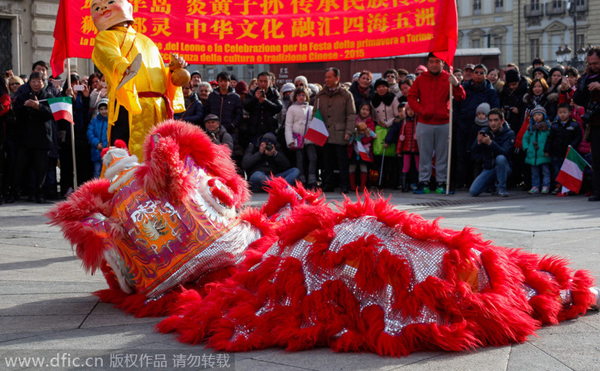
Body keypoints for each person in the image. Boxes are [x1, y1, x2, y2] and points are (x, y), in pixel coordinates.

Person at [51, 118, 600, 357]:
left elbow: (234, 204)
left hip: (264, 242)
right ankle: (478, 284)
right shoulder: (124, 234)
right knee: (348, 248)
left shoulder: (176, 179)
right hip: (253, 270)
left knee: (368, 229)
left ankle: (486, 275)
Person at [90, 0, 186, 161]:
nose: (103, 7)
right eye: (96, 8)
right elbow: (110, 58)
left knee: (158, 155)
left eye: (110, 2)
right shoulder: (105, 37)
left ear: (129, 8)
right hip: (129, 104)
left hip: (157, 107)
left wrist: (172, 71)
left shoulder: (147, 41)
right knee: (127, 158)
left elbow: (157, 74)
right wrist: (125, 68)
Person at [408, 53, 465, 194]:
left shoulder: (448, 78)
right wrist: (420, 111)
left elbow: (461, 97)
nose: (434, 64)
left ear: (442, 63)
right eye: (431, 61)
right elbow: (411, 96)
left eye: (437, 61)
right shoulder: (420, 79)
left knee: (443, 155)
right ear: (427, 64)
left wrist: (457, 84)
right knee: (425, 155)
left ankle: (442, 183)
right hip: (424, 122)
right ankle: (424, 183)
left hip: (444, 122)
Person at [10, 71, 55, 203]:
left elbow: (52, 114)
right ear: (29, 83)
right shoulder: (23, 95)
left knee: (41, 170)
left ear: (43, 82)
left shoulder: (48, 96)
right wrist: (25, 106)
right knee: (19, 168)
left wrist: (38, 107)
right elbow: (15, 110)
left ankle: (39, 194)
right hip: (24, 139)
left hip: (42, 139)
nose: (36, 84)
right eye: (33, 82)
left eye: (39, 81)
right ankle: (13, 193)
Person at [454, 64, 499, 189]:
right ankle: (460, 181)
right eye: (476, 72)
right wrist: (458, 122)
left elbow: (495, 109)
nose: (478, 75)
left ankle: (476, 182)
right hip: (463, 125)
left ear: (485, 75)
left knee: (479, 157)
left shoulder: (490, 91)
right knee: (461, 155)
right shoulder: (464, 88)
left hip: (482, 127)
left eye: (481, 73)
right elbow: (456, 107)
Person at [316, 67, 356, 193]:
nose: (327, 79)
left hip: (340, 132)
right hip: (324, 132)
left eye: (329, 77)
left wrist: (348, 132)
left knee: (342, 161)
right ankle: (328, 183)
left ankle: (344, 185)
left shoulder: (346, 95)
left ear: (337, 78)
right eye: (326, 77)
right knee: (326, 161)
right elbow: (315, 114)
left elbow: (351, 114)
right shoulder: (320, 95)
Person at [573, 47, 600, 201]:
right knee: (596, 159)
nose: (592, 66)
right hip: (595, 123)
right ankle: (597, 191)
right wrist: (580, 88)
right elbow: (578, 100)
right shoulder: (586, 76)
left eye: (595, 63)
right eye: (590, 63)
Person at [469, 108, 515, 197]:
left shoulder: (509, 133)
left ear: (502, 121)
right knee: (473, 191)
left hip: (504, 167)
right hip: (489, 167)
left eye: (496, 120)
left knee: (500, 158)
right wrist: (478, 143)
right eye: (490, 120)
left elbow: (505, 152)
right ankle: (493, 185)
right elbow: (474, 151)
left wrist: (490, 143)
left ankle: (501, 187)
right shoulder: (485, 131)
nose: (493, 123)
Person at [545, 102, 582, 195]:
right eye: (560, 112)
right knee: (557, 171)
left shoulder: (574, 125)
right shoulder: (554, 125)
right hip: (556, 152)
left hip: (569, 153)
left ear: (569, 113)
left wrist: (572, 145)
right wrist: (547, 149)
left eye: (564, 112)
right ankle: (558, 187)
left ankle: (568, 188)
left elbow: (578, 137)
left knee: (569, 171)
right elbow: (550, 138)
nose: (562, 114)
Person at [285, 87, 317, 188]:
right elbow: (288, 125)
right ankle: (301, 180)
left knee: (313, 158)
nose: (301, 97)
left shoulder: (311, 108)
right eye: (299, 95)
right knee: (300, 159)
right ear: (295, 97)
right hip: (297, 138)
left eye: (303, 95)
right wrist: (289, 140)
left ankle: (312, 179)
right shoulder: (292, 109)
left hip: (310, 138)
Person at [385, 104, 419, 192]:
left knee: (418, 167)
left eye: (412, 110)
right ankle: (404, 185)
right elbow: (401, 138)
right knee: (405, 167)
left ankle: (418, 183)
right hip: (406, 148)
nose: (410, 112)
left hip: (416, 148)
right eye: (408, 110)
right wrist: (398, 150)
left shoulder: (418, 122)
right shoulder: (403, 123)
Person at [244, 72, 283, 145]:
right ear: (258, 81)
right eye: (261, 81)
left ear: (270, 82)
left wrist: (265, 101)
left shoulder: (274, 93)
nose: (263, 83)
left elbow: (278, 108)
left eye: (265, 81)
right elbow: (246, 107)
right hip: (254, 129)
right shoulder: (252, 93)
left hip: (270, 129)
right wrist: (255, 98)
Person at [204, 71, 243, 140]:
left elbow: (239, 114)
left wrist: (232, 125)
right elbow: (207, 111)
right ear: (218, 82)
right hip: (213, 131)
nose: (223, 83)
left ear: (229, 82)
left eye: (225, 81)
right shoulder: (212, 96)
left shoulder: (235, 97)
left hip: (229, 131)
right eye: (221, 81)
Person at [522, 106, 552, 194]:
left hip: (543, 153)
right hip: (532, 154)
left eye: (539, 115)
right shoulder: (530, 128)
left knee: (545, 171)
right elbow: (525, 139)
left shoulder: (547, 128)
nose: (537, 117)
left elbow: (550, 139)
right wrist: (527, 148)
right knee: (534, 172)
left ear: (543, 116)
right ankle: (535, 186)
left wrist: (548, 149)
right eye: (535, 115)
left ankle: (546, 185)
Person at [348, 122, 376, 190]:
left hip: (364, 151)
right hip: (355, 151)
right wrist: (350, 142)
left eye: (364, 130)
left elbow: (375, 136)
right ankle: (352, 186)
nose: (362, 132)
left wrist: (368, 138)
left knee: (363, 167)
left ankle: (363, 186)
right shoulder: (355, 133)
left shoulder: (368, 131)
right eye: (361, 130)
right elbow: (350, 141)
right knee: (352, 167)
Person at [87, 99, 109, 178]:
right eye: (101, 109)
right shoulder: (94, 121)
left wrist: (106, 144)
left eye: (105, 109)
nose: (103, 111)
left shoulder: (111, 122)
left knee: (107, 173)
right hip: (97, 152)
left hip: (107, 152)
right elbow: (90, 133)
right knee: (97, 172)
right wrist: (97, 143)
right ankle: (96, 189)